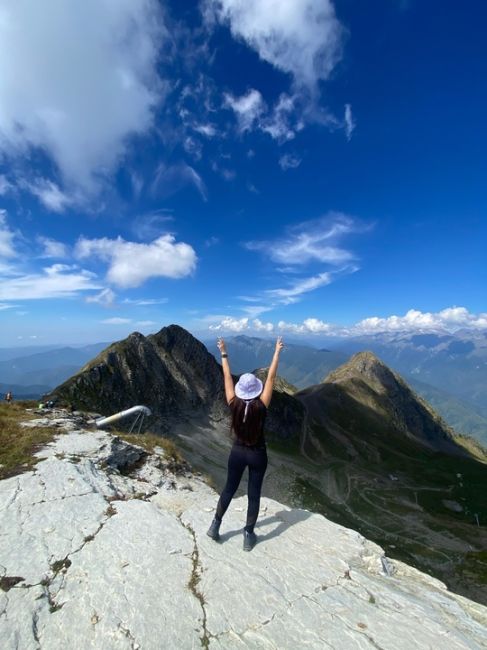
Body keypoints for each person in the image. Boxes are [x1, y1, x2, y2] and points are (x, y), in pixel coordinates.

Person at [207, 335, 284, 551]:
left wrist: (223, 352)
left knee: (229, 489)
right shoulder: (261, 407)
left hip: (237, 453)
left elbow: (226, 377)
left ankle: (215, 525)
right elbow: (270, 378)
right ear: (257, 391)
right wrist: (277, 351)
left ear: (242, 391)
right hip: (258, 454)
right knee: (253, 494)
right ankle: (248, 535)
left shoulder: (233, 403)